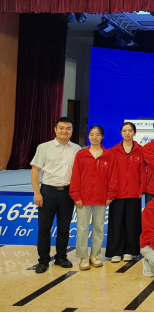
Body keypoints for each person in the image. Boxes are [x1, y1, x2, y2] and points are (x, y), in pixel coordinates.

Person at [30, 117, 82, 274]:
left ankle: (61, 257)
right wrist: (37, 192)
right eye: (61, 128)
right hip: (48, 192)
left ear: (72, 130)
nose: (64, 131)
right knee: (44, 228)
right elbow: (35, 171)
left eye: (68, 128)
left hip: (67, 193)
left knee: (64, 228)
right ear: (55, 129)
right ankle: (43, 260)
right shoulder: (44, 147)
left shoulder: (77, 149)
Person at [70, 126, 117, 271]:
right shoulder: (81, 155)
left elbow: (113, 177)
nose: (94, 137)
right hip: (83, 198)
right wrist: (76, 195)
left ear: (102, 136)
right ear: (88, 136)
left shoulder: (109, 155)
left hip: (101, 197)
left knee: (99, 227)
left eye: (98, 134)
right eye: (92, 134)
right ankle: (83, 257)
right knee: (82, 227)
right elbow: (75, 176)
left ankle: (95, 255)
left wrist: (110, 195)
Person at [106, 122, 145, 263]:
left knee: (132, 222)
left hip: (134, 192)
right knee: (116, 222)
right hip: (117, 192)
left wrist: (142, 188)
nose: (127, 133)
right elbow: (109, 172)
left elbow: (142, 171)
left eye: (130, 131)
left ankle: (130, 250)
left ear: (134, 133)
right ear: (121, 133)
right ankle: (115, 252)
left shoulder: (140, 150)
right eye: (124, 131)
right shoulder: (114, 150)